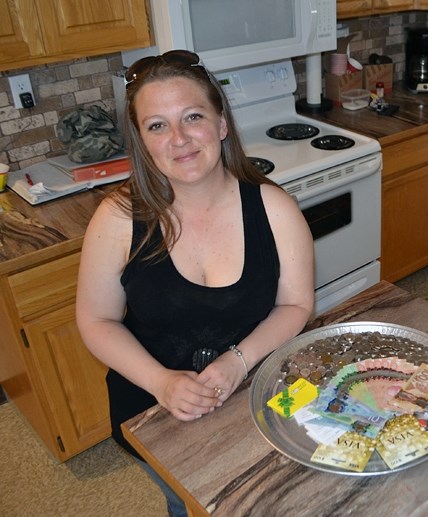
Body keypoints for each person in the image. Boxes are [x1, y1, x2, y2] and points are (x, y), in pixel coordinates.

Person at [75, 50, 315, 516]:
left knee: (267, 496)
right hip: (154, 408)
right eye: (157, 125)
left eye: (192, 117)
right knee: (185, 504)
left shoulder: (274, 208)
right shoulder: (118, 219)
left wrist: (238, 361)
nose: (179, 139)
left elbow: (296, 306)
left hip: (257, 388)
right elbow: (96, 319)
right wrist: (162, 383)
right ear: (142, 141)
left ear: (221, 124)